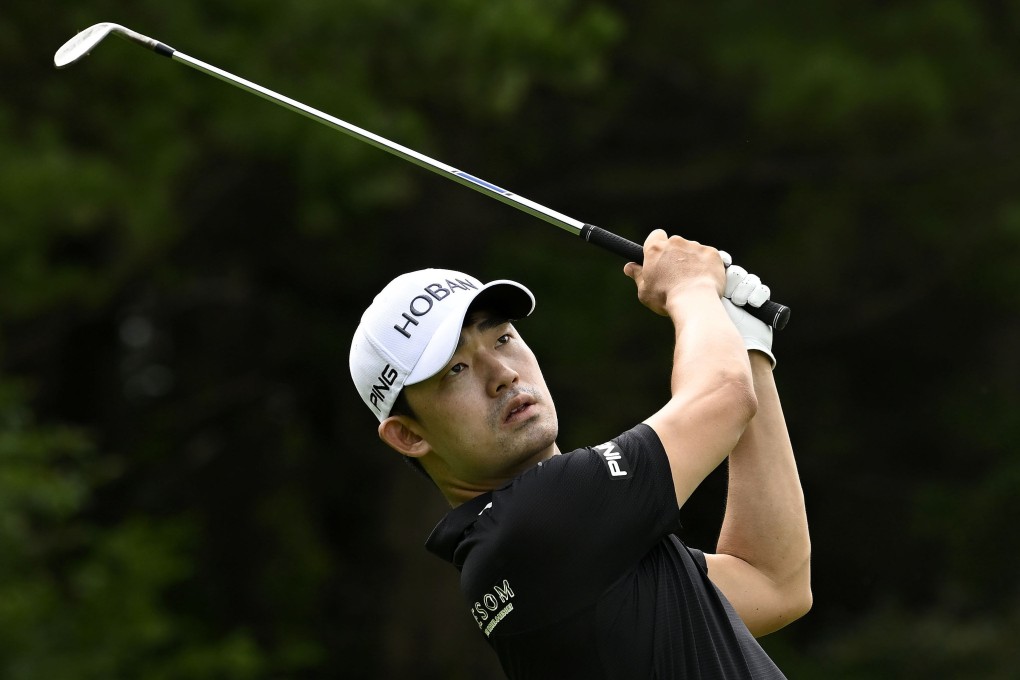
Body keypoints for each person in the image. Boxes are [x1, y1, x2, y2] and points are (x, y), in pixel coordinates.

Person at [349, 229, 811, 679]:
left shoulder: (533, 547)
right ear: (408, 436)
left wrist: (745, 348)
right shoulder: (538, 518)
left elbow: (773, 585)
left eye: (502, 339)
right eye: (456, 369)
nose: (503, 374)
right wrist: (690, 289)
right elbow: (723, 397)